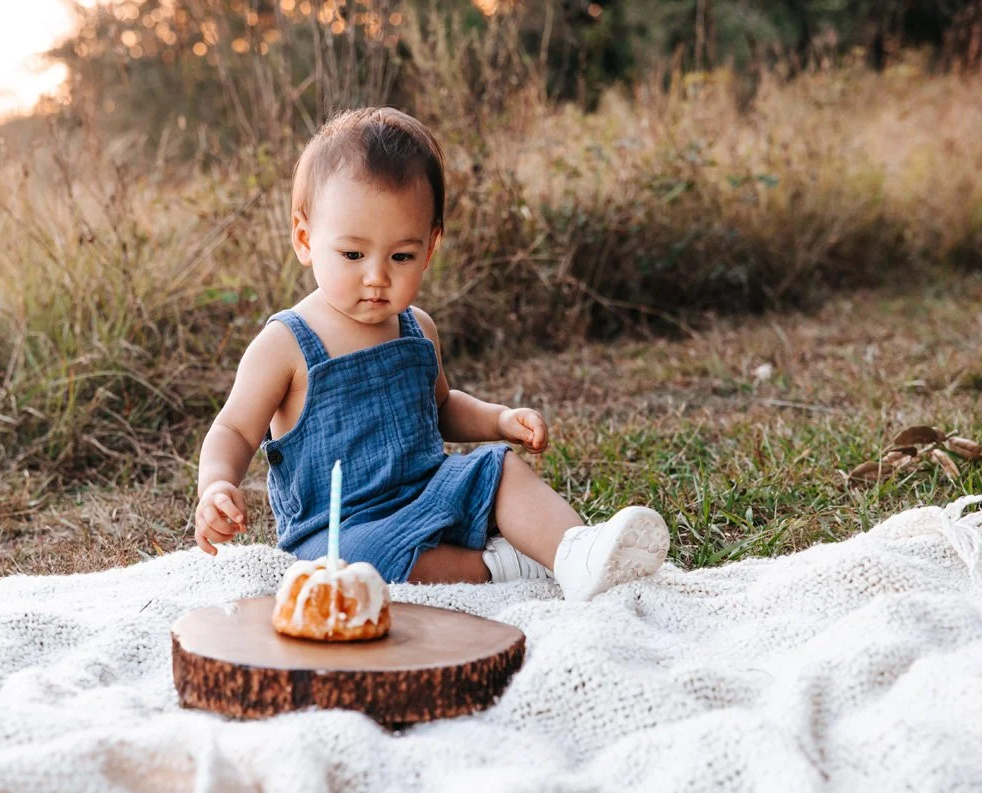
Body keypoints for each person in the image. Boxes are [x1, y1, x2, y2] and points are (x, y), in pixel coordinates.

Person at [193, 107, 669, 601]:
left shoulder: (417, 329)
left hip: (430, 490)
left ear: (431, 246)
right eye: (353, 255)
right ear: (305, 238)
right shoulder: (286, 344)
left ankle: (577, 550)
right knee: (353, 566)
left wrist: (499, 420)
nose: (376, 276)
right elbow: (232, 429)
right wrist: (217, 486)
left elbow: (440, 407)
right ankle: (502, 566)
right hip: (343, 529)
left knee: (499, 469)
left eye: (401, 256)